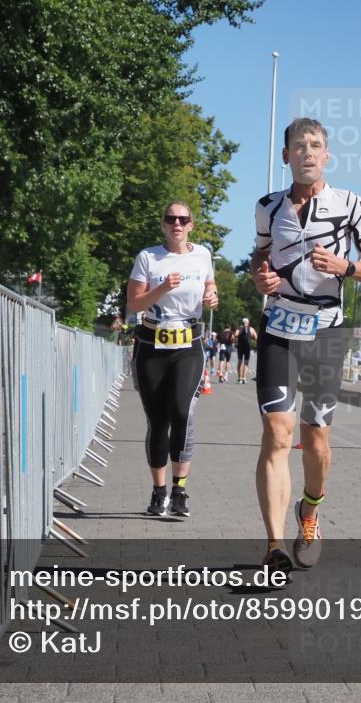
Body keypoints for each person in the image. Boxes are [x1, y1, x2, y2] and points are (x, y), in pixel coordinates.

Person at [251, 118, 361, 571]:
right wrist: (261, 274)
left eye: (316, 146)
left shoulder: (350, 205)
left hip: (327, 331)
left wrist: (344, 267)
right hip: (278, 328)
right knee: (276, 433)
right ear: (285, 156)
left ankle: (310, 509)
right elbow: (261, 253)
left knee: (316, 438)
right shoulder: (268, 207)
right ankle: (273, 546)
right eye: (299, 146)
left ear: (327, 156)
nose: (308, 152)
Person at [127, 202, 219, 518]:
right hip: (152, 344)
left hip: (187, 345)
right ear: (163, 225)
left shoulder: (203, 255)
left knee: (181, 412)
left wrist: (212, 295)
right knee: (158, 422)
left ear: (191, 225)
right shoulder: (148, 258)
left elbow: (209, 283)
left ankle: (180, 491)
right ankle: (158, 491)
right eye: (171, 219)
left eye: (183, 219)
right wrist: (163, 287)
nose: (177, 224)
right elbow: (133, 302)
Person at [234, 317, 257, 384]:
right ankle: (244, 378)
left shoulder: (239, 328)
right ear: (248, 322)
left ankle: (239, 378)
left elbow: (236, 335)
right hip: (248, 347)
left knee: (240, 361)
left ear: (242, 322)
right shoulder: (252, 329)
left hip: (240, 347)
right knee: (246, 362)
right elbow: (256, 337)